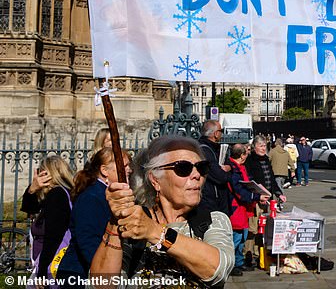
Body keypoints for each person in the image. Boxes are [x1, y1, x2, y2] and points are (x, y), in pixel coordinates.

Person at [90, 135, 234, 287]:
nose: (197, 175)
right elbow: (100, 284)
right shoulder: (135, 224)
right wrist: (115, 221)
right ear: (155, 180)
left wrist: (156, 232)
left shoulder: (212, 220)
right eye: (183, 168)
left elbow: (217, 270)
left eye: (201, 167)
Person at [57, 148, 132, 288]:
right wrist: (104, 271)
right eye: (124, 165)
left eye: (129, 165)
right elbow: (88, 239)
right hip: (78, 274)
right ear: (105, 170)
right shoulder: (92, 197)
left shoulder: (103, 194)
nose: (129, 170)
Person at [21, 156, 74, 281]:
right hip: (47, 260)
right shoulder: (59, 193)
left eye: (42, 172)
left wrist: (42, 271)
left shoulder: (57, 195)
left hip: (52, 262)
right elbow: (30, 208)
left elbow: (53, 237)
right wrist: (32, 189)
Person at [227, 144, 269, 277]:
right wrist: (256, 196)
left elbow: (248, 182)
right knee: (236, 238)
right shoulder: (232, 169)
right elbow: (239, 191)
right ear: (242, 155)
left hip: (243, 207)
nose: (248, 154)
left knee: (242, 236)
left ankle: (239, 262)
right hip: (236, 207)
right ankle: (232, 264)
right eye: (247, 152)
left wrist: (257, 194)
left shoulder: (239, 166)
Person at [244, 136, 286, 268]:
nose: (263, 149)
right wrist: (257, 193)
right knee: (253, 228)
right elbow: (249, 180)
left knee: (262, 228)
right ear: (254, 147)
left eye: (264, 146)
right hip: (256, 199)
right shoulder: (250, 160)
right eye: (261, 146)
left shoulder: (266, 160)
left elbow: (271, 179)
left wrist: (279, 193)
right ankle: (248, 254)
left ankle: (259, 254)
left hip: (267, 199)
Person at [198, 120, 232, 216]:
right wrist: (228, 172)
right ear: (216, 133)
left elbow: (228, 164)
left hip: (214, 199)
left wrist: (229, 167)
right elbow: (221, 177)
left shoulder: (215, 148)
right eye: (221, 131)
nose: (222, 133)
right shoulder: (205, 150)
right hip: (210, 201)